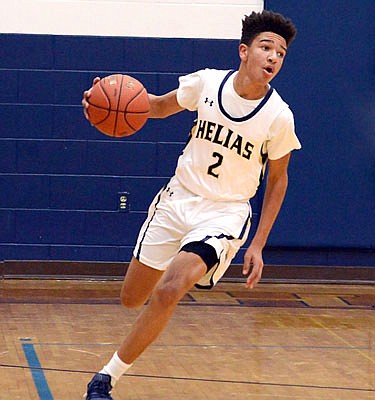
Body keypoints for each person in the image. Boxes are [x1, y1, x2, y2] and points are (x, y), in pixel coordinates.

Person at [82, 9, 300, 399]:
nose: (273, 58)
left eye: (281, 54)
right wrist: (102, 102)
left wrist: (258, 244)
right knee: (131, 299)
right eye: (266, 47)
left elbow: (279, 179)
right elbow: (158, 106)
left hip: (225, 212)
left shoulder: (279, 117)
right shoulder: (206, 84)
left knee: (170, 290)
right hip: (178, 199)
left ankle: (105, 379)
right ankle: (175, 265)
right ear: (244, 51)